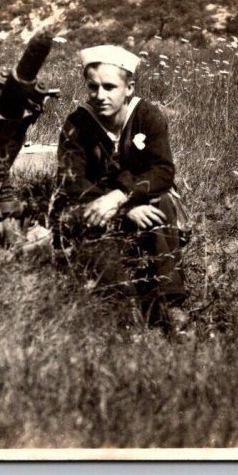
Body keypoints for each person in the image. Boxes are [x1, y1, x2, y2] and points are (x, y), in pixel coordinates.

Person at [54, 44, 191, 336]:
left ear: (128, 88)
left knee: (164, 201)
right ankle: (122, 309)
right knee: (83, 218)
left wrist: (122, 199)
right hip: (95, 204)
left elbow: (162, 171)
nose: (100, 95)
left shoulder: (147, 117)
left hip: (134, 200)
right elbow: (71, 179)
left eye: (109, 87)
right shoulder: (77, 123)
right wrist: (121, 207)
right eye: (93, 87)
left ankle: (170, 303)